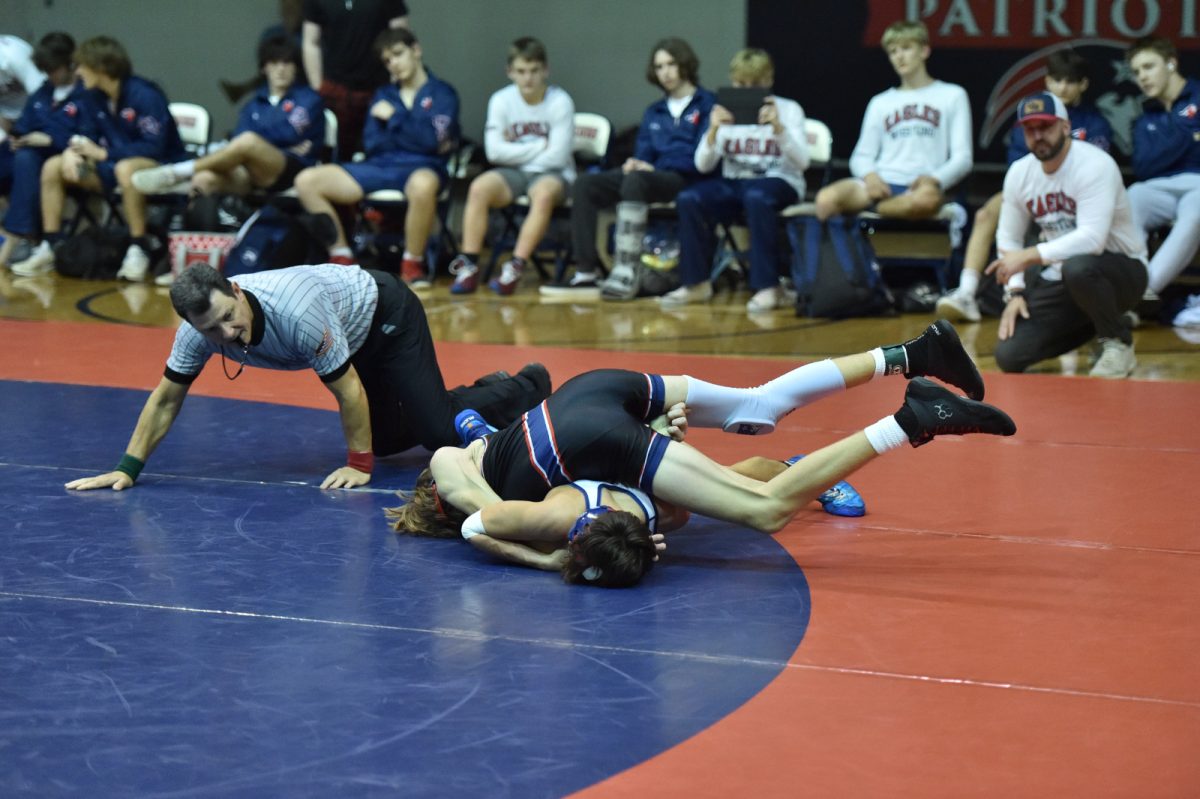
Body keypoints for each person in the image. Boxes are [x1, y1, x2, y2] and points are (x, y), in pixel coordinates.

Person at [391, 320, 1015, 587]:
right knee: (757, 406)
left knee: (765, 510)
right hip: (590, 396)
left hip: (582, 435)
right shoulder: (478, 447)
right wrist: (657, 432)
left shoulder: (450, 471)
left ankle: (911, 420)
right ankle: (911, 354)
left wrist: (543, 555)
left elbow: (481, 519)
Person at [63, 263, 550, 493]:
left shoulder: (296, 314)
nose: (228, 333)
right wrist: (129, 467)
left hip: (386, 314)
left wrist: (358, 466)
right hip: (348, 333)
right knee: (389, 440)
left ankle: (527, 384)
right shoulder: (199, 335)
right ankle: (473, 393)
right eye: (212, 329)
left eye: (230, 316)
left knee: (439, 433)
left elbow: (347, 390)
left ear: (236, 289)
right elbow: (166, 398)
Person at [937, 48, 1113, 323]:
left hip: (1075, 199)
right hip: (1033, 192)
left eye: (1070, 81)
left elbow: (1095, 174)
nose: (1063, 87)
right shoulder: (1030, 121)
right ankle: (967, 292)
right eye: (1057, 80)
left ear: (1083, 84)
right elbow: (1019, 171)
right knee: (986, 213)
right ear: (1047, 81)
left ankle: (1087, 304)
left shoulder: (1096, 122)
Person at [984, 92, 1148, 378]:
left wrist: (1030, 255)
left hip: (1122, 271)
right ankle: (1100, 325)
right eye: (1030, 129)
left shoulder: (1095, 164)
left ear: (1064, 125)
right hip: (1066, 278)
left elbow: (1092, 240)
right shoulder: (1019, 173)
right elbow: (1009, 240)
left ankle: (1117, 343)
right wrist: (1016, 292)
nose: (1038, 136)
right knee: (1010, 355)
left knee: (1079, 266)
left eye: (1045, 127)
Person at [539, 38, 715, 300]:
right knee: (586, 184)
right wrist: (636, 162)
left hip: (686, 179)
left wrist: (651, 167)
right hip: (650, 176)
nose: (664, 72)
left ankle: (626, 269)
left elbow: (702, 159)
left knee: (637, 182)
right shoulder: (654, 111)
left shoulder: (708, 103)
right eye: (659, 67)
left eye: (670, 64)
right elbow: (644, 151)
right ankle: (586, 273)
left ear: (685, 64)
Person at [9, 36, 186, 282]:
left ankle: (138, 248)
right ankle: (50, 245)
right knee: (53, 165)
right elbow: (85, 135)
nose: (78, 71)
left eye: (83, 65)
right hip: (110, 169)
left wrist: (103, 154)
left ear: (101, 67)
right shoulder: (92, 97)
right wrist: (72, 152)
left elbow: (153, 147)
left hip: (161, 169)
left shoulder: (145, 94)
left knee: (127, 169)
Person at [293, 27, 459, 285]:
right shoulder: (383, 94)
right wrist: (413, 132)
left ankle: (412, 262)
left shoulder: (442, 93)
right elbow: (373, 143)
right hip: (379, 167)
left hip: (422, 167)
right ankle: (342, 255)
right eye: (387, 60)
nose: (393, 64)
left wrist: (394, 118)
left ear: (416, 50)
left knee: (423, 184)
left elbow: (431, 143)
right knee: (307, 180)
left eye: (398, 54)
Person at [662, 48, 808, 311]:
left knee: (757, 197)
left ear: (769, 80)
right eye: (741, 84)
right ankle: (696, 283)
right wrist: (714, 130)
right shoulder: (723, 111)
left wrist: (779, 129)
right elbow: (702, 165)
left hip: (779, 180)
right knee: (690, 197)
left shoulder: (788, 109)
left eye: (756, 84)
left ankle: (768, 287)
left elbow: (803, 162)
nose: (748, 90)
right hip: (735, 182)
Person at [446, 36, 575, 297]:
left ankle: (515, 266)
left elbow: (558, 158)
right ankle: (469, 265)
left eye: (534, 71)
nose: (528, 78)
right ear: (510, 72)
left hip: (553, 174)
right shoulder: (501, 100)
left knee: (543, 194)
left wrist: (514, 152)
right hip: (514, 173)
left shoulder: (560, 102)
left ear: (545, 70)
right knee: (479, 188)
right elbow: (494, 152)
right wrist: (541, 146)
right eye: (521, 71)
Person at [814, 20, 971, 224]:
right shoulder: (880, 102)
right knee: (825, 200)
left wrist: (934, 179)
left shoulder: (952, 95)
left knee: (925, 202)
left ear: (924, 51)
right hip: (882, 182)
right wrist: (870, 177)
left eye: (906, 48)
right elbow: (861, 156)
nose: (899, 56)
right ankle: (859, 249)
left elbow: (963, 158)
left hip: (922, 185)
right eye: (893, 51)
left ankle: (880, 209)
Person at [131, 35, 325, 199]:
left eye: (286, 63)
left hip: (291, 172)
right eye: (274, 63)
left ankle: (177, 172)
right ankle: (195, 233)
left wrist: (256, 144)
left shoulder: (309, 99)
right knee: (205, 179)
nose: (280, 69)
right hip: (251, 172)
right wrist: (254, 146)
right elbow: (239, 138)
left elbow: (287, 133)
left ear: (296, 68)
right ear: (264, 67)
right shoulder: (254, 103)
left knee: (248, 141)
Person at [1123, 36, 1200, 324]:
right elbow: (1143, 165)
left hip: (1199, 185)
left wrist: (1165, 145)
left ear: (1171, 63)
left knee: (1196, 207)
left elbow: (1157, 156)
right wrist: (1190, 135)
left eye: (1148, 66)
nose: (1142, 76)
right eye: (1137, 71)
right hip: (1161, 187)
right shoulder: (1145, 116)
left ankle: (1140, 293)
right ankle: (1136, 288)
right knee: (1133, 195)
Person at [1, 32, 86, 268]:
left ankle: (17, 238)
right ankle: (16, 235)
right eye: (46, 71)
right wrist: (21, 136)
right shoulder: (44, 92)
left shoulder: (86, 93)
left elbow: (89, 133)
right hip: (30, 151)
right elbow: (25, 122)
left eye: (54, 69)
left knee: (26, 160)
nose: (50, 76)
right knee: (13, 153)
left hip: (62, 155)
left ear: (69, 63)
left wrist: (49, 139)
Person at [303, 0, 409, 160]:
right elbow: (311, 42)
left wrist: (396, 85)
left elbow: (401, 38)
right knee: (335, 155)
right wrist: (318, 87)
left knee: (382, 151)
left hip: (380, 88)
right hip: (335, 90)